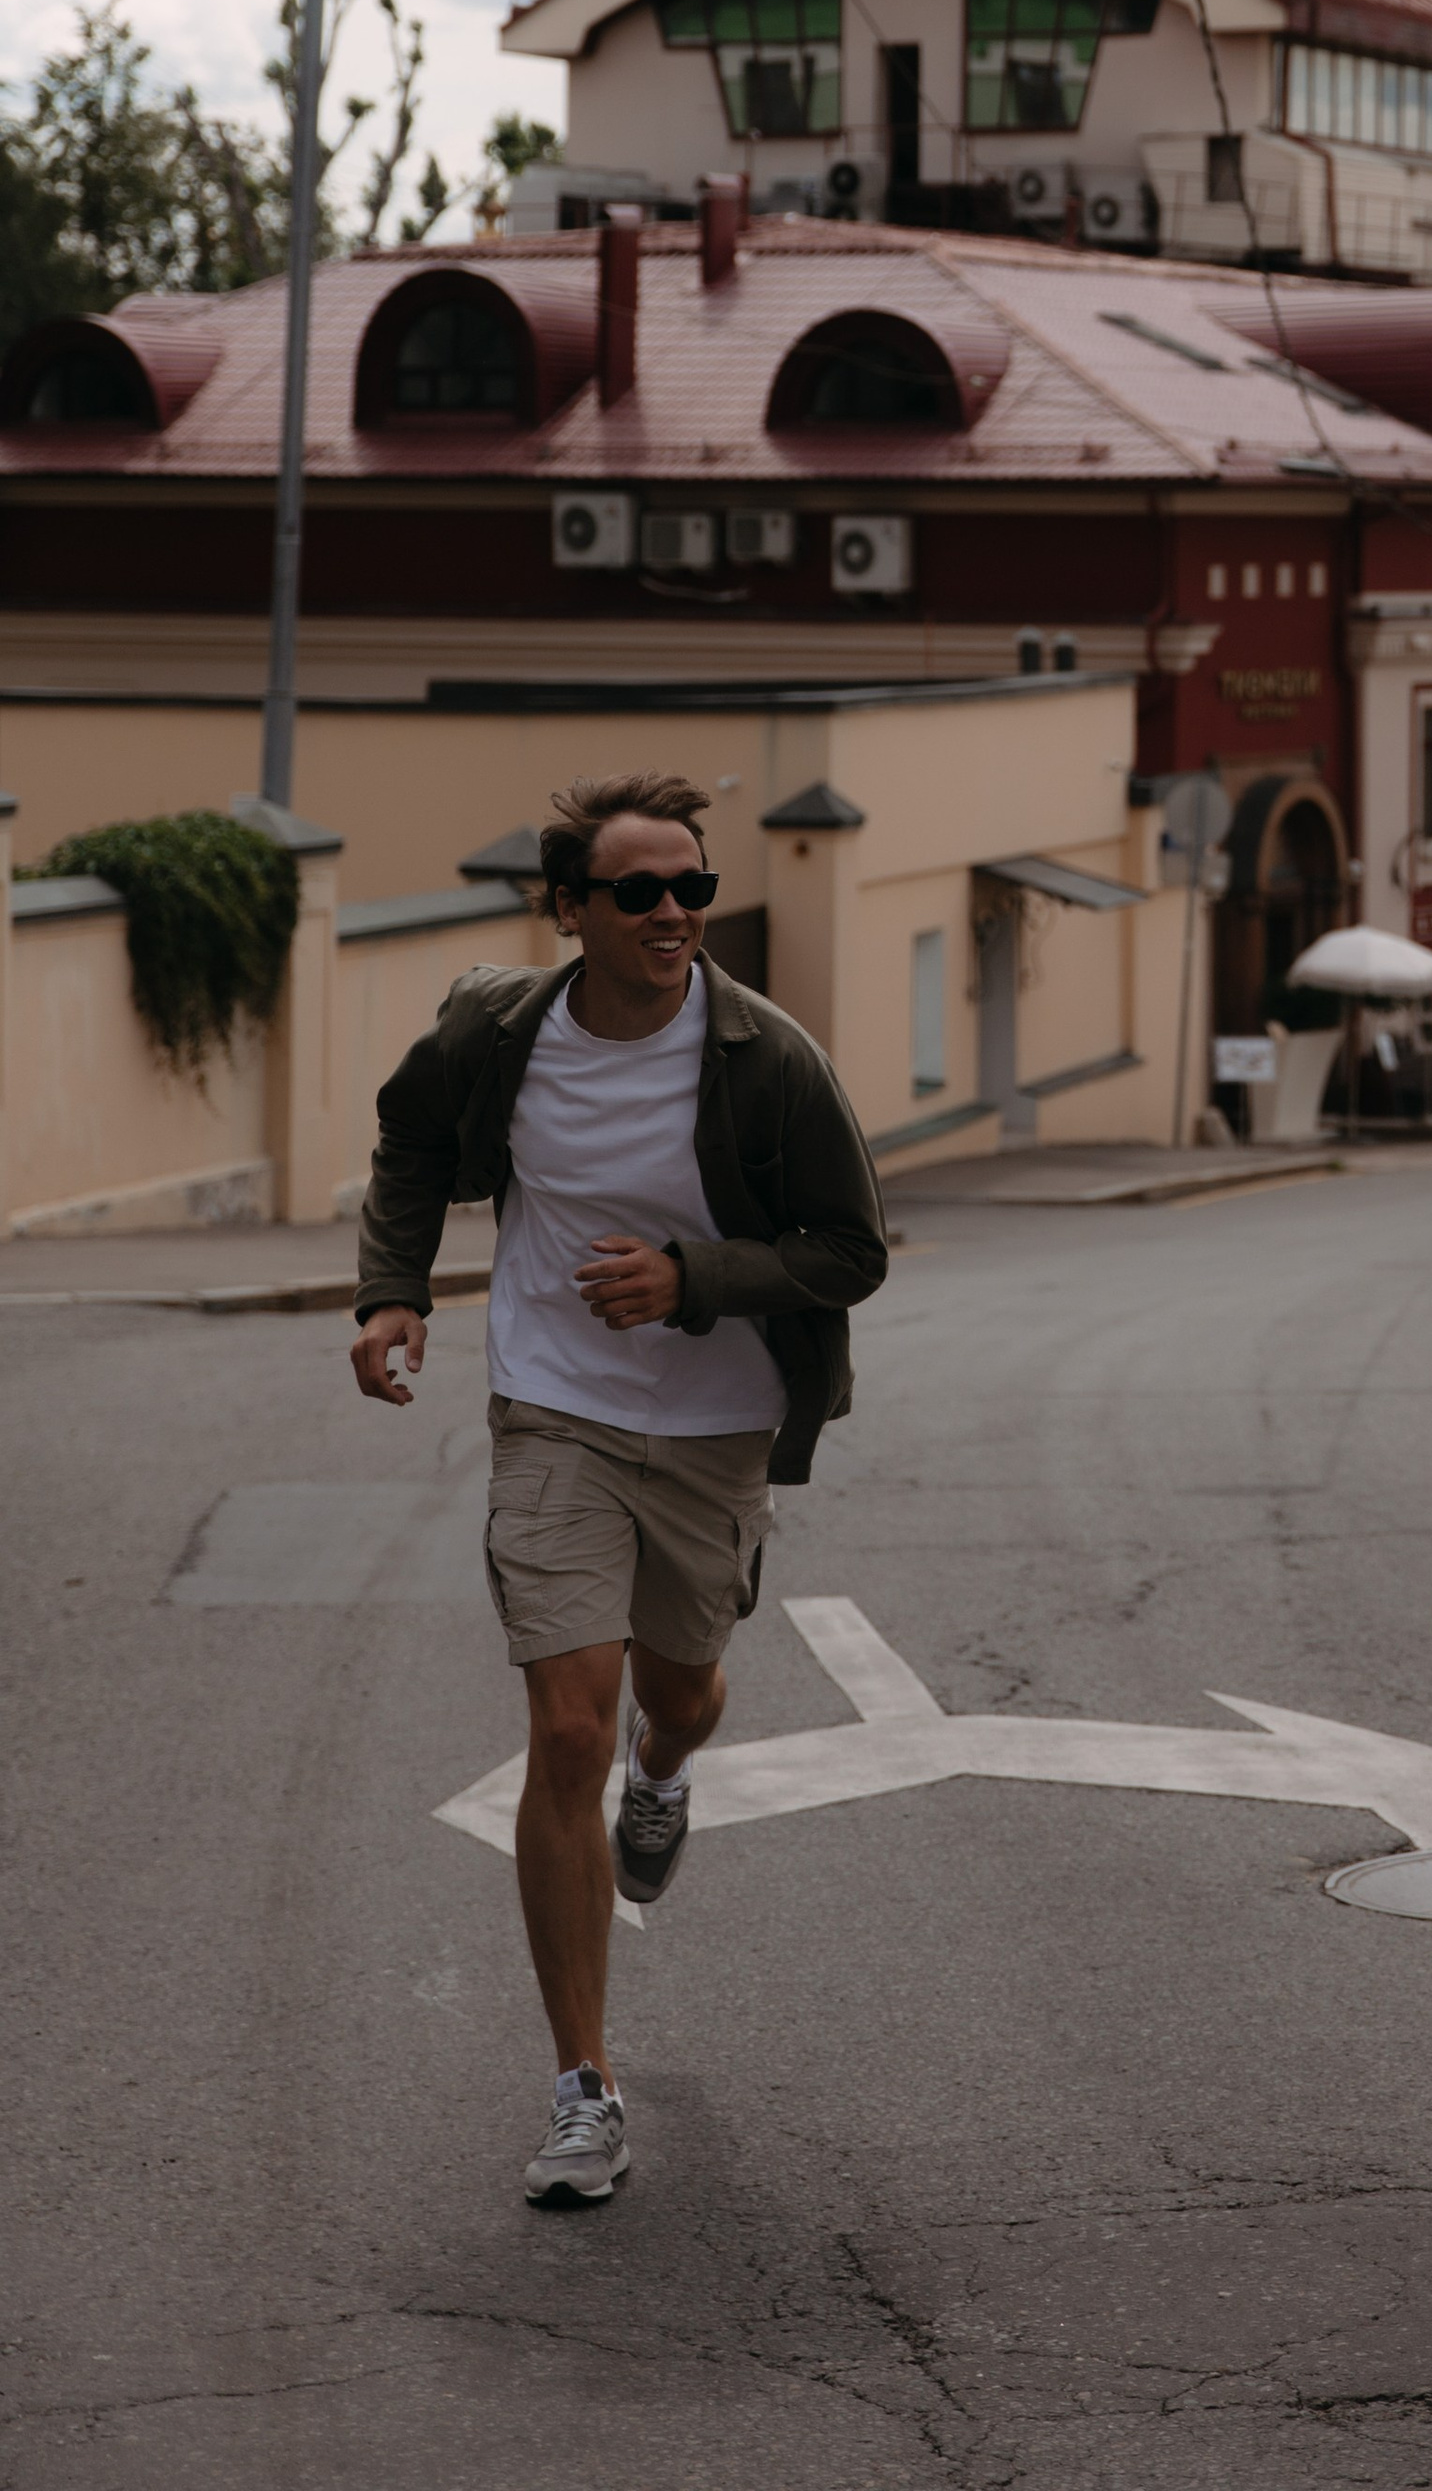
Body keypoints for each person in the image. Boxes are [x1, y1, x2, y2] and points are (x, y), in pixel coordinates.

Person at [350, 770, 888, 2207]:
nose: (674, 913)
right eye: (641, 891)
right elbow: (410, 1142)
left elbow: (853, 1250)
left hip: (715, 1430)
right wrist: (394, 1292)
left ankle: (672, 1772)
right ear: (570, 910)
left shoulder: (768, 1059)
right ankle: (583, 2085)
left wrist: (690, 1280)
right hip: (555, 1412)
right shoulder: (497, 1032)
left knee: (680, 1691)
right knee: (567, 1723)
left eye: (694, 888)